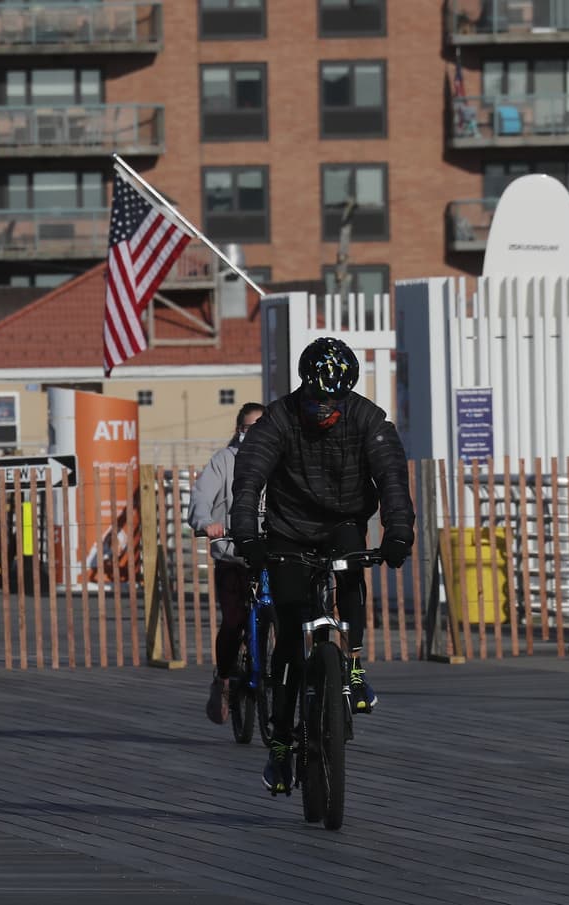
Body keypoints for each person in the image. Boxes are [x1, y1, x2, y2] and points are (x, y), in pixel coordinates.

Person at [230, 337, 414, 795]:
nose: (325, 410)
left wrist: (398, 534)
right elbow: (248, 479)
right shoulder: (278, 419)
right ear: (303, 389)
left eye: (335, 401)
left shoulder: (368, 419)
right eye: (316, 400)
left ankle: (353, 664)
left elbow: (392, 478)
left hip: (344, 522)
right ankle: (279, 745)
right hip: (288, 530)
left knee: (350, 571)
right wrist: (247, 536)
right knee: (290, 639)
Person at [186, 402, 265, 725]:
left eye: (262, 428)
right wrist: (206, 522)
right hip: (234, 555)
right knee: (234, 619)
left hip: (271, 554)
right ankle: (224, 678)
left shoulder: (282, 459)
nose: (255, 434)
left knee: (286, 614)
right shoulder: (224, 460)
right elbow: (201, 497)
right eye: (249, 428)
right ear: (238, 430)